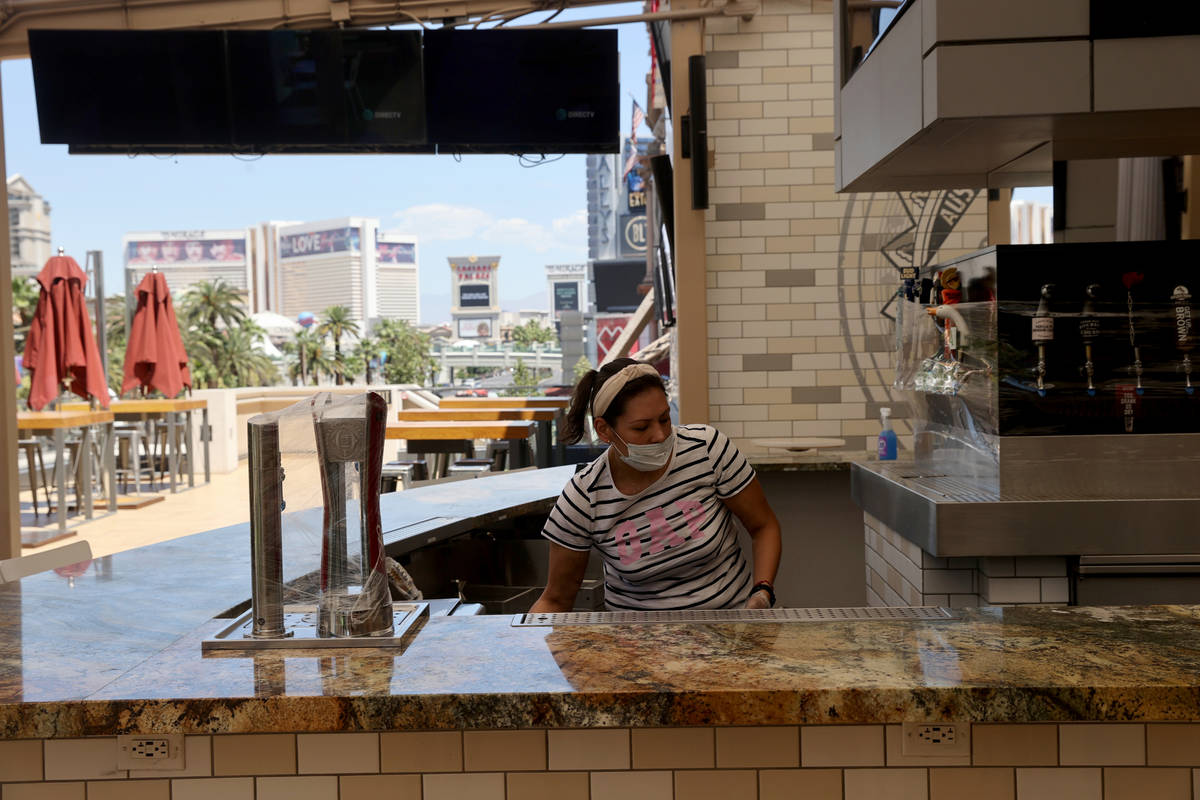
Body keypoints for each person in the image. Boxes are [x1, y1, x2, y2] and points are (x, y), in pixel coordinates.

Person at [531, 359, 782, 612]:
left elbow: (763, 526)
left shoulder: (706, 450)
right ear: (604, 430)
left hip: (729, 629)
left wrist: (762, 591)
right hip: (636, 644)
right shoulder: (584, 498)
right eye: (641, 428)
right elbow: (555, 600)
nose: (660, 435)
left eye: (664, 419)